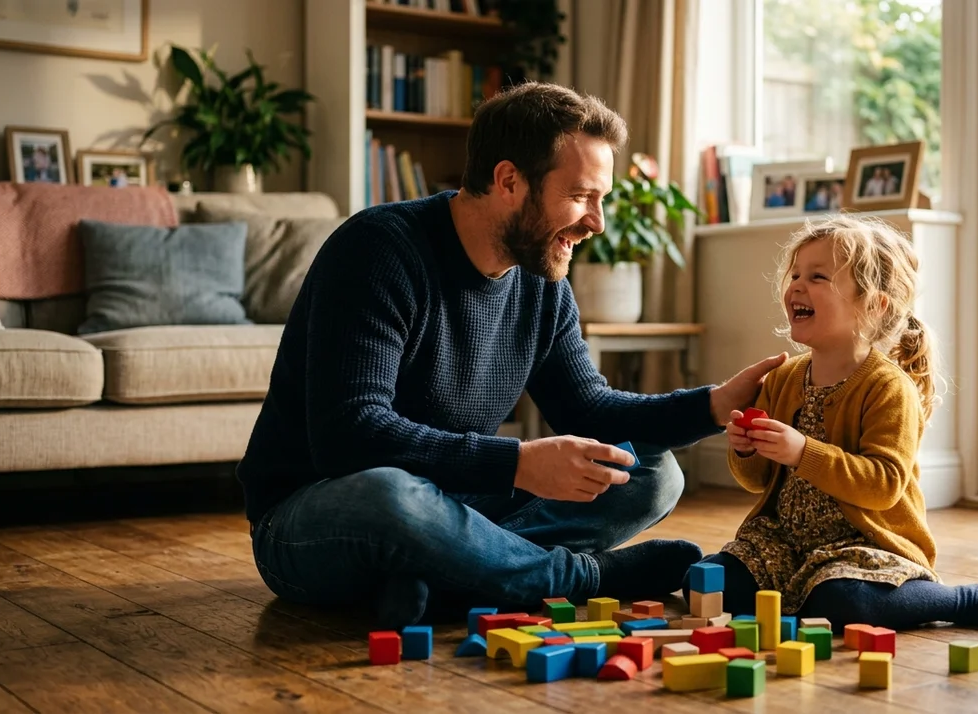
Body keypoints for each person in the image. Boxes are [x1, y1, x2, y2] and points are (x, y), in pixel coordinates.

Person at [237, 81, 786, 630]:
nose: (597, 222)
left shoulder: (541, 279)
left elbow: (588, 408)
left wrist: (714, 406)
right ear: (508, 181)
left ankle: (454, 578)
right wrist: (519, 464)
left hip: (455, 507)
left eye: (602, 200)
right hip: (314, 518)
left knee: (649, 469)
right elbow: (347, 437)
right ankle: (578, 578)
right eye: (580, 197)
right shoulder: (378, 251)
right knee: (391, 494)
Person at [683, 214, 978, 633]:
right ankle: (798, 598)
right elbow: (757, 481)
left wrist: (803, 452)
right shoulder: (783, 379)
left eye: (818, 277)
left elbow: (884, 484)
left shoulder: (888, 387)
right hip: (784, 542)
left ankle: (957, 600)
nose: (796, 285)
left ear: (874, 304)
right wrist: (745, 447)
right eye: (795, 274)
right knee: (705, 581)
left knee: (843, 601)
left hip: (863, 546)